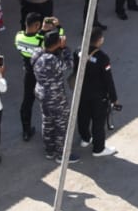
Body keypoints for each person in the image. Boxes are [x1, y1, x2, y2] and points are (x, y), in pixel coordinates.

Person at [32, 29, 77, 163]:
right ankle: (61, 154)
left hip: (41, 92)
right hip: (55, 96)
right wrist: (65, 49)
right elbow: (69, 65)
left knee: (47, 122)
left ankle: (49, 150)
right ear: (56, 43)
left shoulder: (37, 53)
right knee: (61, 124)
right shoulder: (51, 59)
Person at [77, 26, 120, 157]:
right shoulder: (102, 58)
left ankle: (85, 138)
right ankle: (98, 149)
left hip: (81, 92)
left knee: (82, 117)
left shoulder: (78, 51)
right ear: (99, 40)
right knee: (98, 121)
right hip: (98, 95)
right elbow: (108, 80)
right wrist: (114, 98)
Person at [14, 11, 45, 142]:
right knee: (49, 101)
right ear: (37, 25)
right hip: (41, 73)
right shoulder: (41, 40)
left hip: (29, 73)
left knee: (27, 101)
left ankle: (26, 131)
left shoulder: (18, 37)